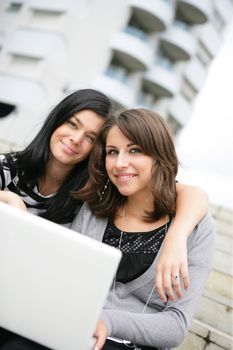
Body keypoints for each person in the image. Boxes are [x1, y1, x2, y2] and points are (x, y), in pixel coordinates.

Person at [70, 108, 216, 350]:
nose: (120, 163)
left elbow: (176, 325)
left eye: (135, 150)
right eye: (112, 152)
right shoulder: (93, 208)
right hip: (75, 330)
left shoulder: (198, 229)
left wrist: (108, 321)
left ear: (159, 156)